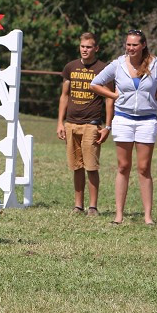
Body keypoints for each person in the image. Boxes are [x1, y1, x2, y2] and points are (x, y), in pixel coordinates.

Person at [90, 29, 157, 225]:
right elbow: (95, 83)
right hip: (123, 119)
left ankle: (148, 217)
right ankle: (119, 215)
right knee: (123, 166)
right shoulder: (117, 65)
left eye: (134, 45)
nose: (130, 48)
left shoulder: (155, 64)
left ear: (143, 46)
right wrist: (114, 96)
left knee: (144, 168)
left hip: (147, 120)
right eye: (128, 44)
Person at [57, 32, 113, 216]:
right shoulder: (70, 67)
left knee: (91, 167)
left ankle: (93, 207)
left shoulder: (104, 69)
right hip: (71, 124)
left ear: (96, 48)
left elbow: (109, 99)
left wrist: (107, 126)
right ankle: (78, 205)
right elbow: (64, 96)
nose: (85, 50)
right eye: (82, 46)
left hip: (92, 124)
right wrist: (60, 122)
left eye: (89, 47)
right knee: (76, 166)